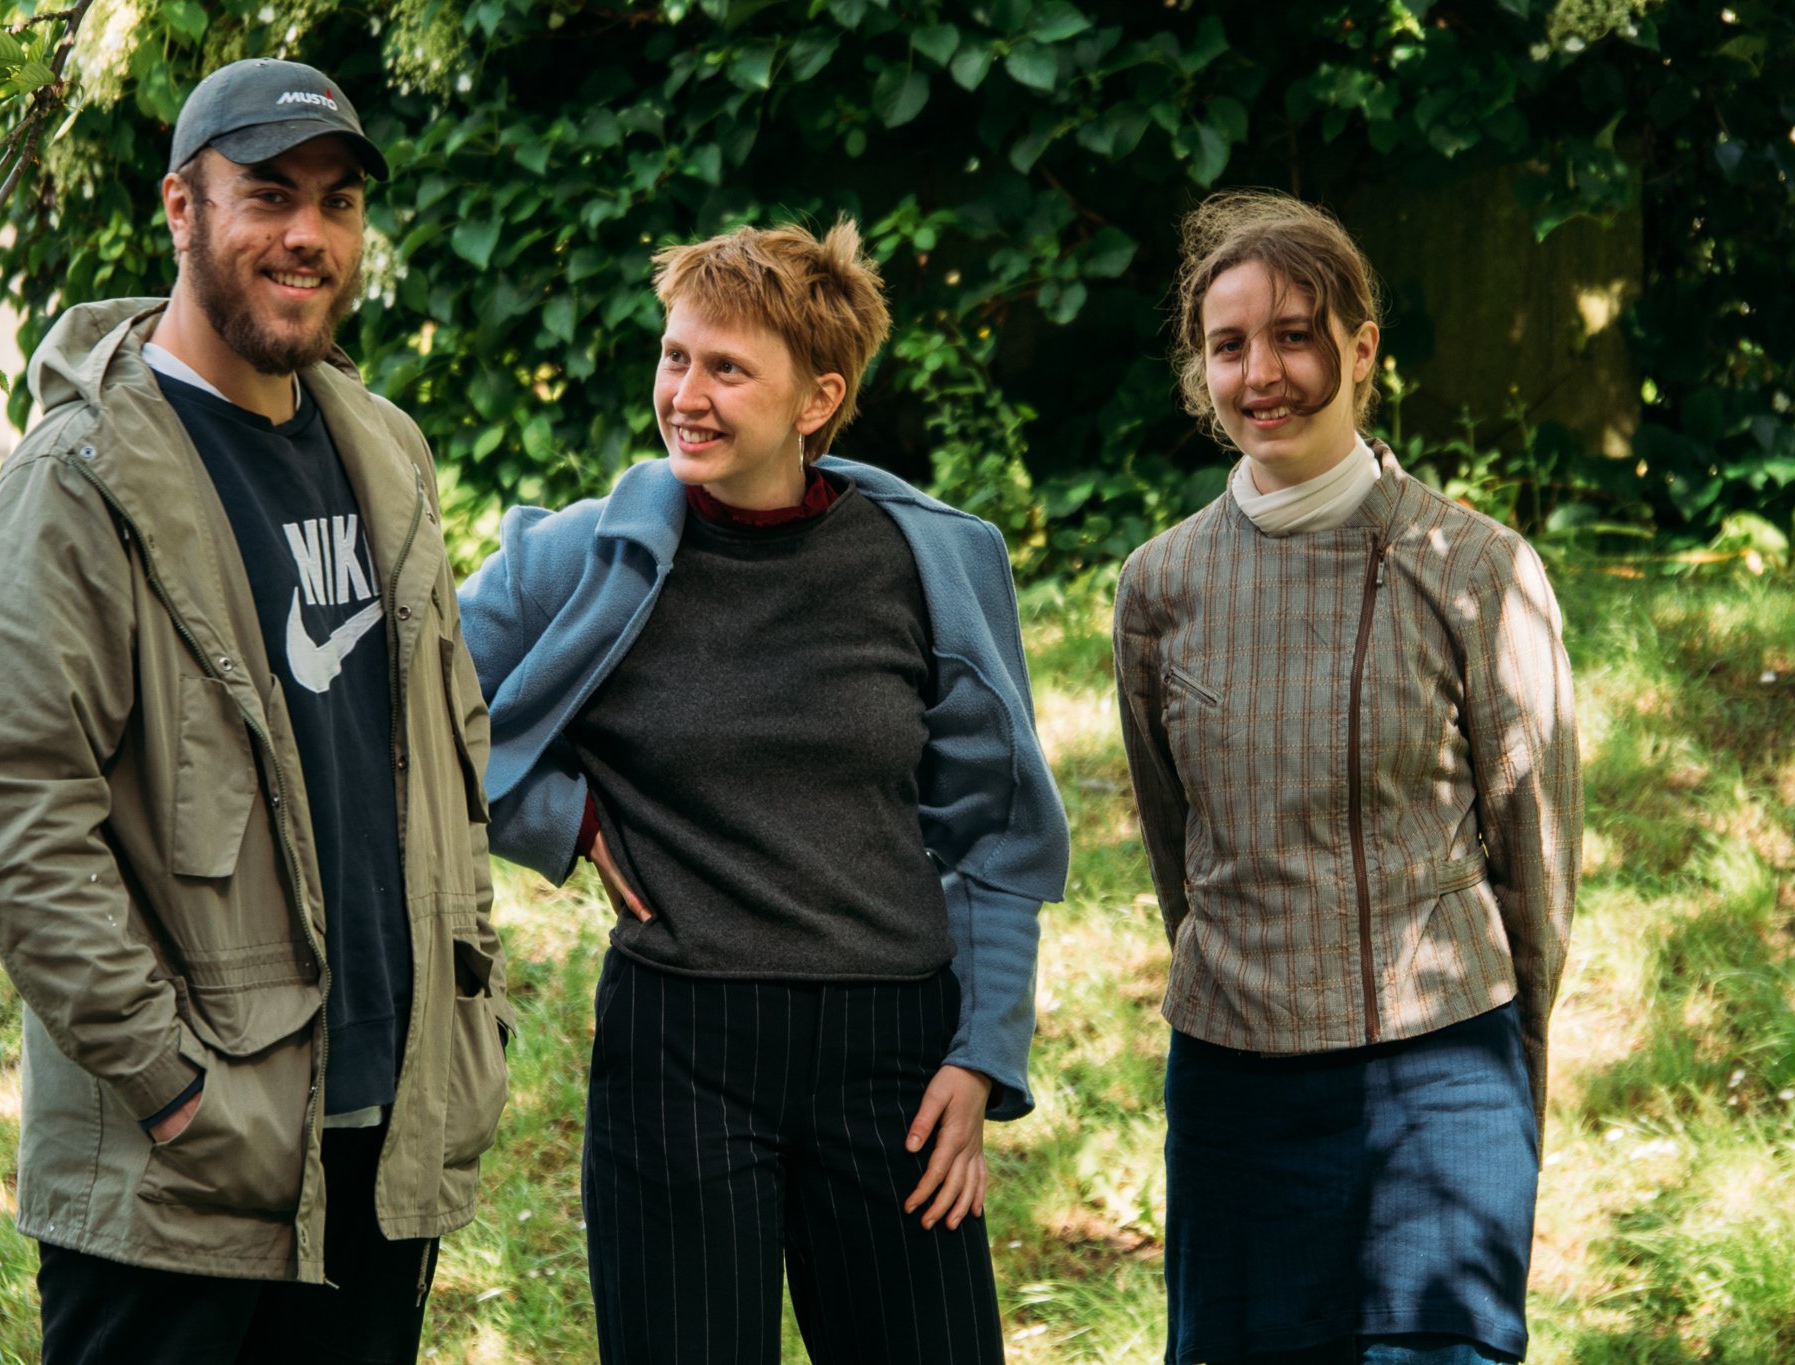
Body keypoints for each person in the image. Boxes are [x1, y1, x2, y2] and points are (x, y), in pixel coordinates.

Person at [0, 58, 511, 1363]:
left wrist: (469, 1013)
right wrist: (172, 1088)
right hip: (180, 1185)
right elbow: (15, 817)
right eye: (267, 194)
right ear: (181, 209)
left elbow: (444, 757)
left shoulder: (386, 449)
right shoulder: (80, 480)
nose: (308, 234)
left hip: (381, 1140)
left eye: (338, 202)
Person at [456, 219, 1069, 1363]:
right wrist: (566, 819)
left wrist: (982, 1053)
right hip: (680, 1040)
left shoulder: (925, 561)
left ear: (815, 399)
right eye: (675, 356)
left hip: (892, 1043)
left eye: (726, 368)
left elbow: (991, 827)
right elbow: (413, 710)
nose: (685, 393)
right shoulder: (583, 556)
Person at [1112, 188, 1582, 1365]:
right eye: (1228, 346)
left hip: (1441, 1074)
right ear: (1200, 371)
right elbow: (1181, 852)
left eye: (1294, 334)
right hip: (1232, 1086)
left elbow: (1537, 859)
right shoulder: (1157, 587)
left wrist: (1507, 1061)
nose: (1260, 373)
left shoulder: (1476, 568)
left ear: (1360, 350)